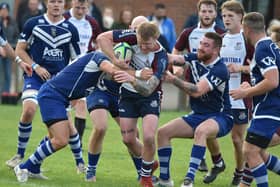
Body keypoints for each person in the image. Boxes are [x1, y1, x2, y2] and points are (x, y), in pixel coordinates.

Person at [5, 0, 83, 173]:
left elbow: (77, 61)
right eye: (52, 1)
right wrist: (35, 66)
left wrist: (74, 87)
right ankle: (19, 154)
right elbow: (19, 50)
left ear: (64, 5)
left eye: (60, 2)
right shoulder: (33, 23)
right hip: (35, 78)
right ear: (46, 4)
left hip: (57, 85)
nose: (56, 5)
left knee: (59, 132)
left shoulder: (71, 29)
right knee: (29, 110)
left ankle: (34, 166)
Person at [155, 32, 233, 187]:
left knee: (201, 131)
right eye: (201, 43)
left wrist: (173, 79)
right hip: (198, 115)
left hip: (221, 116)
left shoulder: (220, 69)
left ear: (216, 50)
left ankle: (188, 180)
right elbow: (172, 58)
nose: (201, 47)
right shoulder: (196, 56)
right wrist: (151, 46)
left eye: (206, 45)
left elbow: (197, 91)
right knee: (163, 133)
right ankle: (165, 180)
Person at [97, 21, 169, 187]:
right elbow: (102, 38)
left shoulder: (161, 57)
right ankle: (149, 162)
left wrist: (132, 79)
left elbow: (148, 89)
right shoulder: (131, 37)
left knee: (149, 136)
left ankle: (145, 179)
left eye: (147, 44)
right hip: (128, 96)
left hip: (150, 96)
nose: (143, 47)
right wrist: (115, 60)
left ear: (156, 38)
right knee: (128, 139)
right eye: (140, 43)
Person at [85, 15, 153, 182]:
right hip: (100, 89)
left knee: (132, 135)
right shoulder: (117, 42)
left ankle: (141, 173)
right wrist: (115, 60)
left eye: (143, 28)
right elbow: (102, 44)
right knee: (100, 127)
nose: (139, 32)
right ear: (130, 28)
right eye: (136, 28)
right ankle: (91, 170)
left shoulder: (146, 49)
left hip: (122, 95)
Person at [203, 1, 254, 186]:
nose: (226, 19)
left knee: (236, 138)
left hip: (240, 96)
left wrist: (240, 68)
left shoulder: (247, 40)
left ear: (241, 16)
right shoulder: (220, 38)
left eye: (230, 16)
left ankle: (240, 173)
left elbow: (258, 68)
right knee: (207, 131)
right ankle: (218, 162)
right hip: (219, 96)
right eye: (224, 16)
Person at [173, 0, 226, 172]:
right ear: (199, 13)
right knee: (201, 117)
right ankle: (205, 159)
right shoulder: (189, 32)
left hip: (216, 85)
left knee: (210, 121)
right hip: (193, 81)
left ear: (215, 13)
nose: (207, 14)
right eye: (204, 11)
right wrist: (176, 68)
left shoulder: (221, 34)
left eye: (210, 11)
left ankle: (215, 161)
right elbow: (176, 51)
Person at [229, 12, 280, 187]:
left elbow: (272, 81)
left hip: (269, 108)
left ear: (246, 29)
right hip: (270, 107)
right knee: (257, 151)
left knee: (249, 150)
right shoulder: (271, 46)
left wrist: (246, 93)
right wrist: (250, 87)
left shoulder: (262, 48)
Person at [63, 0, 102, 146]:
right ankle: (60, 130)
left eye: (83, 8)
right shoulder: (64, 19)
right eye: (77, 8)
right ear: (72, 4)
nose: (80, 11)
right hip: (65, 67)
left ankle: (77, 142)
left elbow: (99, 42)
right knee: (66, 103)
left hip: (85, 67)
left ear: (88, 7)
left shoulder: (92, 22)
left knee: (81, 102)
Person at [0, 2, 19, 93]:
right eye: (2, 10)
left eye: (6, 10)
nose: (4, 12)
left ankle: (5, 94)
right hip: (0, 51)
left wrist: (11, 48)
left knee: (8, 74)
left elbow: (16, 36)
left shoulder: (12, 22)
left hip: (9, 51)